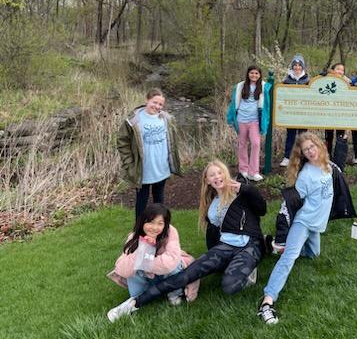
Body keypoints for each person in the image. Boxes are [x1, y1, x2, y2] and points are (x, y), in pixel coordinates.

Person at [107, 160, 268, 322]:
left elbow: (262, 209)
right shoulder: (212, 206)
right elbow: (213, 234)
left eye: (220, 172)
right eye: (212, 175)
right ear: (207, 180)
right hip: (226, 246)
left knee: (230, 286)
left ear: (225, 174)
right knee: (186, 275)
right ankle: (135, 303)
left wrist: (245, 189)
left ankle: (250, 268)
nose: (217, 177)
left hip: (249, 244)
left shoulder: (240, 193)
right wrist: (213, 258)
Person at [257, 132, 334, 325]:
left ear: (319, 145)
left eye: (312, 146)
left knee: (314, 254)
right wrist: (283, 233)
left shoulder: (327, 165)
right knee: (288, 259)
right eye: (306, 150)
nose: (311, 151)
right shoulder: (306, 176)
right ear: (302, 154)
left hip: (316, 224)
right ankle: (267, 301)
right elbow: (289, 204)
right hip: (304, 222)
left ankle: (273, 247)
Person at [106, 203, 200, 322]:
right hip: (147, 275)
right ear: (143, 222)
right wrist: (142, 248)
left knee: (176, 264)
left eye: (160, 223)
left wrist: (145, 261)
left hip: (167, 273)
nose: (155, 227)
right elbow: (122, 270)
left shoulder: (170, 232)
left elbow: (170, 263)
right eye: (150, 222)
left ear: (165, 224)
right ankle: (143, 296)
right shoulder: (134, 237)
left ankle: (174, 292)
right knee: (135, 288)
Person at [117, 88, 182, 218]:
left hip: (161, 167)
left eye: (160, 104)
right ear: (147, 100)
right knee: (142, 199)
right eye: (154, 102)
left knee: (159, 198)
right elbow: (122, 142)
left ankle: (160, 224)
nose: (157, 106)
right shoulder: (133, 120)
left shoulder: (167, 119)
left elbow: (172, 142)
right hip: (143, 169)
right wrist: (129, 163)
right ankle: (139, 227)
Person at [227, 65, 272, 181]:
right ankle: (243, 170)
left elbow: (267, 104)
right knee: (242, 145)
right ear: (248, 74)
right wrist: (231, 118)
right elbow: (233, 103)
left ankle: (253, 172)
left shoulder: (264, 87)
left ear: (260, 75)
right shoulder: (240, 86)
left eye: (256, 73)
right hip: (241, 119)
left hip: (254, 120)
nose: (254, 75)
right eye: (252, 73)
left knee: (256, 144)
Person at [280, 54, 309, 167]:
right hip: (291, 113)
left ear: (302, 67)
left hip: (303, 113)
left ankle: (303, 156)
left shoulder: (307, 80)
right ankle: (287, 157)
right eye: (295, 65)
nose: (297, 67)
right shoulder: (287, 80)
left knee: (303, 135)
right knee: (290, 135)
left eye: (299, 65)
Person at [324, 62, 347, 162]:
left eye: (342, 70)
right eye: (338, 69)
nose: (340, 71)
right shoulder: (326, 79)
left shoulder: (347, 81)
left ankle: (339, 157)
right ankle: (328, 156)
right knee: (328, 136)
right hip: (328, 113)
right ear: (333, 70)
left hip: (341, 113)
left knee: (340, 135)